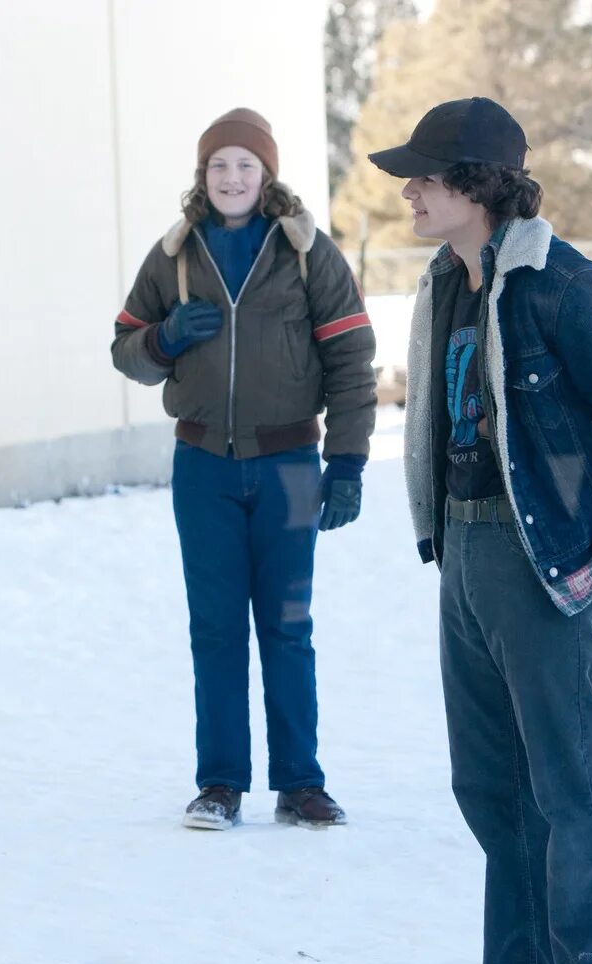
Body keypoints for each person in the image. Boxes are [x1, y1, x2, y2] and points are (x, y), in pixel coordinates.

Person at [371, 96, 592, 964]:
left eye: (423, 178)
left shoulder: (568, 286)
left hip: (541, 565)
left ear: (478, 184)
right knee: (495, 799)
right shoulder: (445, 281)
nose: (409, 195)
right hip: (463, 561)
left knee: (573, 799)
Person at [111, 108, 376, 830]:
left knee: (288, 626)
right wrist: (163, 339)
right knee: (217, 628)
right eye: (220, 165)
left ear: (268, 175)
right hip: (202, 468)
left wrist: (347, 460)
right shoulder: (174, 255)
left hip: (290, 462)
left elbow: (352, 361)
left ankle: (301, 783)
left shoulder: (305, 252)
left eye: (246, 166)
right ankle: (220, 783)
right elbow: (125, 348)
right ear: (204, 175)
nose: (232, 177)